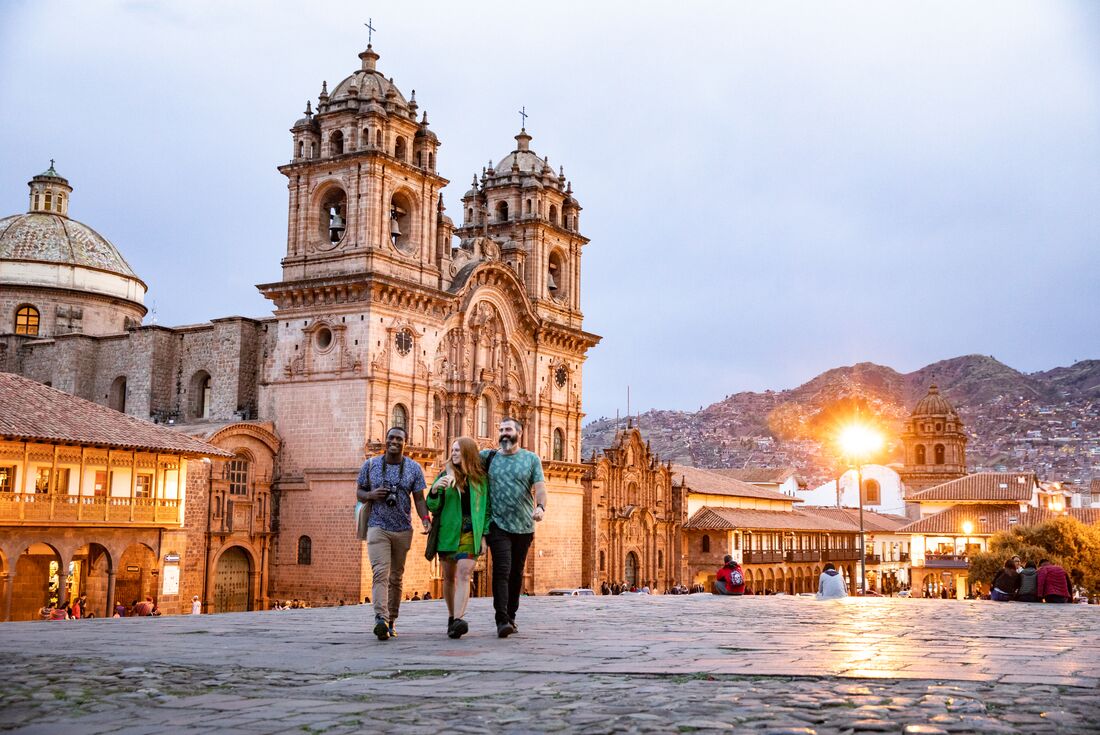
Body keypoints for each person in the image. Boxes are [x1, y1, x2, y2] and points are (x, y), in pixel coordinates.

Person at [357, 426, 429, 641]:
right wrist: (371, 494)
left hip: (402, 529)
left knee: (396, 578)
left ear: (405, 443)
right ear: (385, 440)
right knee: (380, 572)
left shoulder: (414, 468)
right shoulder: (370, 465)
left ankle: (391, 620)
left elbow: (419, 499)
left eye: (399, 439)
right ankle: (380, 617)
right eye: (391, 438)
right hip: (377, 526)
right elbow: (359, 493)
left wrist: (425, 519)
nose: (394, 442)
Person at [483, 417, 546, 638]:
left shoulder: (531, 459)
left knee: (516, 573)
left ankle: (511, 616)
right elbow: (462, 459)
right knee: (502, 570)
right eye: (500, 429)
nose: (503, 433)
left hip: (524, 526)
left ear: (519, 432)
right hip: (497, 524)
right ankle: (501, 620)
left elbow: (540, 487)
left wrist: (540, 507)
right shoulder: (488, 457)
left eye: (508, 429)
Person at [428, 436, 491, 639]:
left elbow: (487, 510)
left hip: (470, 533)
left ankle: (458, 618)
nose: (453, 453)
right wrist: (436, 490)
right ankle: (451, 616)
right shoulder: (444, 475)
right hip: (448, 532)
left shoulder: (480, 480)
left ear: (467, 453)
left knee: (464, 574)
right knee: (448, 577)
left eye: (457, 450)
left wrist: (483, 536)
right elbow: (433, 506)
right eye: (452, 450)